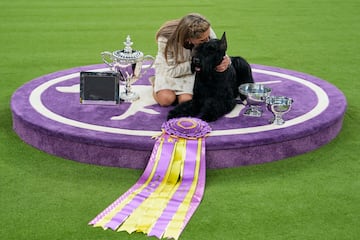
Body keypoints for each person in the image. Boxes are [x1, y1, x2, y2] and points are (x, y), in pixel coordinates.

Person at [152, 13, 231, 106]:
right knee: (166, 100)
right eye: (202, 40)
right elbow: (171, 71)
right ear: (188, 39)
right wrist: (196, 64)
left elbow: (218, 50)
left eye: (208, 37)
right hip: (170, 69)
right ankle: (155, 83)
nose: (207, 41)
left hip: (193, 69)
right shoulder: (165, 39)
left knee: (186, 101)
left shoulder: (206, 31)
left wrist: (226, 61)